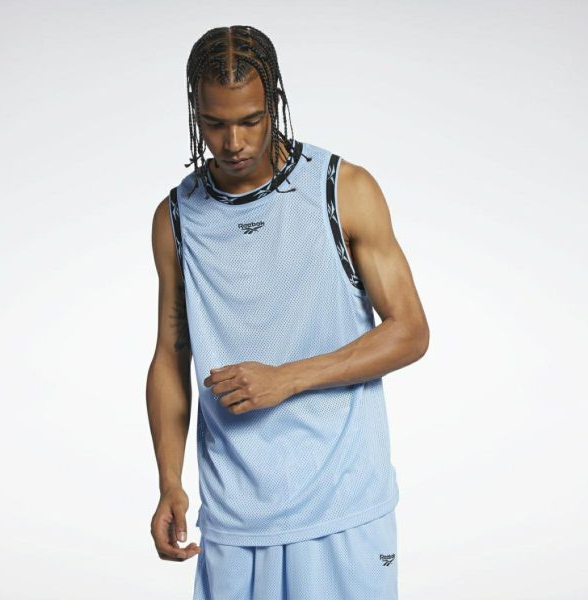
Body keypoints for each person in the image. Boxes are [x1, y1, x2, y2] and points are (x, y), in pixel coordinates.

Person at [146, 24, 429, 600]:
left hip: (344, 505)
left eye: (250, 120)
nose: (233, 142)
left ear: (275, 103)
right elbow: (171, 355)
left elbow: (410, 331)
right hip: (235, 515)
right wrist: (169, 480)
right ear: (195, 113)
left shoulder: (343, 189)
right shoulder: (176, 217)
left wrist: (288, 378)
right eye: (215, 123)